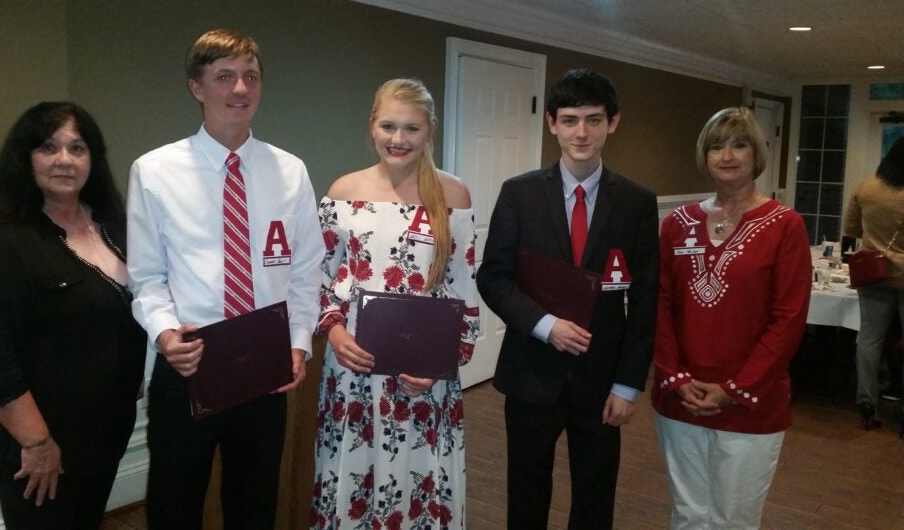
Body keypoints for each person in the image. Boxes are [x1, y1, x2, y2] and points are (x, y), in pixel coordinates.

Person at [127, 29, 324, 530]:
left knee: (255, 504)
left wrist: (298, 343)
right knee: (175, 503)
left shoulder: (290, 171)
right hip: (190, 363)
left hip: (264, 367)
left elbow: (305, 270)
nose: (240, 89)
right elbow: (147, 277)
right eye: (224, 77)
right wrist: (166, 335)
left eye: (250, 77)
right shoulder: (154, 171)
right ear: (197, 87)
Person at [477, 68, 658, 529]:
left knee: (596, 494)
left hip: (602, 380)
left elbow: (645, 298)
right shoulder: (519, 194)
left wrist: (627, 384)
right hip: (531, 371)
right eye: (571, 119)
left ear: (612, 123)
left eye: (594, 120)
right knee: (527, 489)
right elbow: (494, 278)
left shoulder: (637, 202)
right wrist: (545, 325)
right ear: (552, 123)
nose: (582, 132)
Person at [0, 102, 147, 529]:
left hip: (104, 431)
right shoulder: (5, 246)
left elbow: (126, 309)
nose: (64, 160)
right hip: (41, 444)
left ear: (92, 160)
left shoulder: (113, 226)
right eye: (49, 147)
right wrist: (38, 443)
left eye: (77, 148)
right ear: (26, 158)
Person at [309, 78, 480, 530]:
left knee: (420, 481)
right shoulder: (344, 192)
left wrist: (442, 363)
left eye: (412, 129)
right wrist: (335, 330)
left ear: (430, 131)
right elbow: (318, 278)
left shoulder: (453, 195)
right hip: (354, 372)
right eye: (388, 126)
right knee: (354, 484)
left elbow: (463, 290)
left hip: (425, 377)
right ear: (371, 125)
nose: (398, 139)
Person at [652, 106, 812, 529]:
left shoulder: (785, 225)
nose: (728, 155)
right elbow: (659, 305)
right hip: (680, 398)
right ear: (704, 154)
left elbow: (789, 318)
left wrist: (735, 388)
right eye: (717, 146)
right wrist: (676, 378)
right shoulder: (676, 224)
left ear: (756, 154)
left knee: (734, 519)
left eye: (739, 145)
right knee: (687, 513)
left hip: (750, 401)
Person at [845, 135, 904, 430]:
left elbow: (851, 229)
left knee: (869, 340)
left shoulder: (866, 188)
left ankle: (867, 402)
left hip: (873, 272)